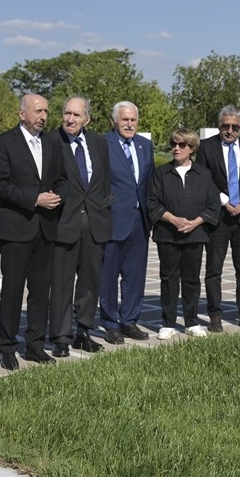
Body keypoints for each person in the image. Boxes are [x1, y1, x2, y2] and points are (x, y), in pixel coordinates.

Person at [0, 93, 62, 369]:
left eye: (46, 111)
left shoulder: (52, 143)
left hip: (46, 229)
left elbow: (63, 179)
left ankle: (35, 346)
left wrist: (57, 197)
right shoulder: (4, 143)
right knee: (12, 291)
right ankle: (7, 347)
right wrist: (35, 199)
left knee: (41, 292)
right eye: (38, 111)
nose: (43, 116)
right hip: (16, 229)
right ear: (22, 114)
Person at [49, 96, 112, 357]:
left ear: (87, 119)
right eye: (67, 113)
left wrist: (104, 209)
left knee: (90, 281)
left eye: (76, 115)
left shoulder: (98, 142)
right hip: (64, 222)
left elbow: (104, 180)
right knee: (62, 283)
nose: (70, 119)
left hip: (95, 224)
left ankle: (83, 331)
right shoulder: (52, 141)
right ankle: (61, 336)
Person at [148, 128, 220, 339]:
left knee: (191, 279)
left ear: (192, 148)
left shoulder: (203, 174)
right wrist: (173, 219)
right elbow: (152, 202)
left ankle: (191, 321)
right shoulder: (161, 173)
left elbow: (213, 203)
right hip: (167, 235)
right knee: (168, 278)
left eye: (181, 145)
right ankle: (168, 322)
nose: (176, 148)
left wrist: (196, 222)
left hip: (194, 236)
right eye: (173, 144)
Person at [196, 105, 240, 331]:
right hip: (218, 218)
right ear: (219, 125)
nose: (230, 130)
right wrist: (225, 201)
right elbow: (204, 180)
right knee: (214, 270)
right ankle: (214, 315)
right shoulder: (206, 147)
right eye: (226, 126)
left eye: (235, 127)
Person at [100, 101, 155, 345]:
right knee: (109, 275)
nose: (130, 124)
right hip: (113, 220)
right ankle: (110, 323)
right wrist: (110, 206)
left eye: (133, 119)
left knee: (135, 275)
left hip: (140, 221)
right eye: (125, 120)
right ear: (114, 121)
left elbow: (147, 182)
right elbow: (98, 182)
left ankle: (129, 320)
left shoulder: (145, 145)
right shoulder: (103, 144)